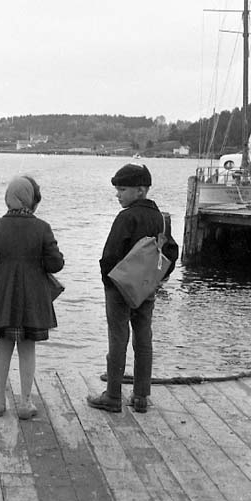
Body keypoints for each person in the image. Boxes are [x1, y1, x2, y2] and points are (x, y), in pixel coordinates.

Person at [87, 163, 178, 414]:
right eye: (117, 189)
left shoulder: (126, 217)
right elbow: (171, 252)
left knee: (118, 339)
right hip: (146, 288)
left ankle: (113, 395)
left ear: (140, 190)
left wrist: (108, 282)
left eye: (122, 189)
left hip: (119, 288)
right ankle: (141, 396)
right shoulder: (161, 218)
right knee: (143, 339)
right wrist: (157, 279)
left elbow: (110, 255)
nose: (118, 194)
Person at [0, 176, 64, 420]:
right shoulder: (42, 228)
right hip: (32, 298)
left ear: (8, 198)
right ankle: (25, 402)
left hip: (2, 298)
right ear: (30, 199)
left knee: (2, 347)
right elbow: (56, 264)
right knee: (27, 349)